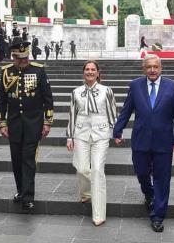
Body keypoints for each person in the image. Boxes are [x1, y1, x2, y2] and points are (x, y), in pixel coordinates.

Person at [113, 55, 174, 233]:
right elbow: (127, 109)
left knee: (162, 178)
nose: (152, 70)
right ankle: (149, 193)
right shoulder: (135, 85)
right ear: (144, 69)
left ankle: (158, 216)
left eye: (156, 67)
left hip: (164, 141)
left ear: (161, 68)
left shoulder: (172, 86)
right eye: (149, 67)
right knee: (141, 171)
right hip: (141, 139)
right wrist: (118, 129)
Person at [0, 39, 54, 211]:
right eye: (20, 58)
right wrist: (2, 122)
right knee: (16, 160)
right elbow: (1, 99)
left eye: (25, 57)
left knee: (28, 160)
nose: (24, 60)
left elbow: (47, 98)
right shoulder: (6, 72)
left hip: (33, 123)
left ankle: (28, 196)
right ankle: (21, 190)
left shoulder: (38, 70)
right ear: (13, 57)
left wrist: (47, 121)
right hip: (14, 124)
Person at [66, 60, 118, 226]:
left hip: (101, 134)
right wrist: (70, 136)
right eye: (87, 69)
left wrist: (116, 131)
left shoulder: (106, 91)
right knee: (82, 168)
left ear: (97, 72)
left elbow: (112, 113)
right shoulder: (76, 92)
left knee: (97, 170)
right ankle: (86, 193)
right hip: (81, 133)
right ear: (83, 72)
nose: (90, 72)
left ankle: (98, 214)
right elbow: (72, 115)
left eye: (92, 69)